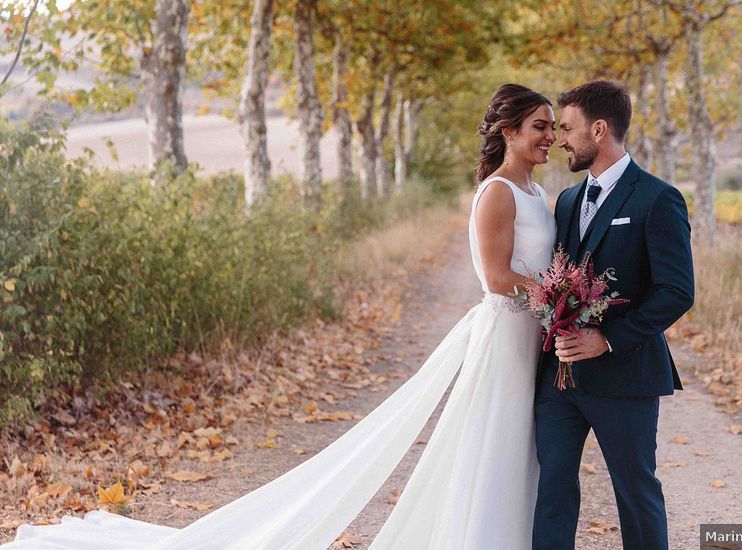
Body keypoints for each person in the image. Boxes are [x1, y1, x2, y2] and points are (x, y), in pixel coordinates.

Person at [4, 83, 557, 549]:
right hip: (505, 333)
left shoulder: (537, 191)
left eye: (552, 127)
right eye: (539, 126)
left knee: (515, 445)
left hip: (527, 336)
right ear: (508, 130)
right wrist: (556, 296)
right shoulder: (499, 193)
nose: (549, 136)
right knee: (495, 440)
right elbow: (495, 277)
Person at [532, 80, 694, 550]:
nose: (560, 138)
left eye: (568, 128)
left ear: (599, 129)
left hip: (626, 375)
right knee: (552, 492)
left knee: (635, 492)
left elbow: (676, 291)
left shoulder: (658, 198)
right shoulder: (565, 200)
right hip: (559, 381)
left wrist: (608, 339)